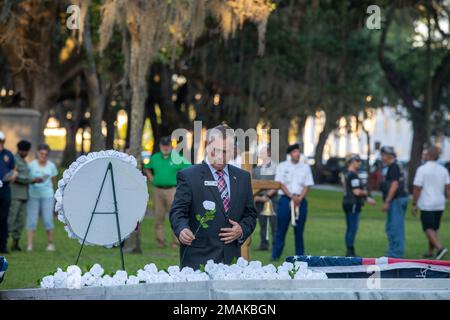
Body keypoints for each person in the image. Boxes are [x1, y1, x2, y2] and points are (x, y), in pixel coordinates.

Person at [169, 124, 257, 269]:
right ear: (207, 146)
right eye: (215, 150)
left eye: (226, 152)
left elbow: (250, 214)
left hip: (232, 261)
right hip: (197, 260)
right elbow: (178, 212)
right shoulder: (189, 176)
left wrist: (241, 230)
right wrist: (182, 229)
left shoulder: (242, 177)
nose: (220, 157)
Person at [144, 136, 191, 249]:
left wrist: (182, 183)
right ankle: (160, 242)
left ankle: (176, 242)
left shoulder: (177, 157)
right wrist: (151, 178)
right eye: (163, 145)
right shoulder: (155, 157)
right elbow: (147, 167)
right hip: (157, 190)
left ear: (171, 146)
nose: (165, 148)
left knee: (176, 216)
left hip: (173, 190)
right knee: (158, 216)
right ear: (160, 146)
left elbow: (189, 169)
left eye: (167, 145)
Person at [272, 143, 314, 261]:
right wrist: (291, 196)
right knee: (281, 229)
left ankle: (300, 257)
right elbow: (280, 183)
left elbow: (307, 184)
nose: (298, 154)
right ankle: (275, 256)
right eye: (295, 152)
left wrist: (299, 198)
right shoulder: (282, 166)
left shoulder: (305, 167)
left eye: (298, 152)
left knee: (299, 230)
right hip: (286, 200)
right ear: (290, 154)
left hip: (301, 200)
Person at [412, 147, 450, 260]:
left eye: (425, 154)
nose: (423, 156)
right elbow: (448, 187)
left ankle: (440, 248)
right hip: (439, 203)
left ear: (429, 156)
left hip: (427, 203)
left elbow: (417, 188)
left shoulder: (422, 169)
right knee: (434, 228)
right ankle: (430, 251)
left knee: (428, 228)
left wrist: (414, 204)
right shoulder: (443, 170)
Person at [8, 140, 43, 251]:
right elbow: (15, 176)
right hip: (15, 195)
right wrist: (32, 180)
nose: (26, 153)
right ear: (20, 150)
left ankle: (15, 243)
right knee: (11, 220)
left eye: (26, 151)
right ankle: (3, 243)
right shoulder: (13, 160)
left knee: (20, 221)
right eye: (24, 151)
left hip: (23, 195)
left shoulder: (23, 161)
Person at [341, 154, 376, 257]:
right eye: (357, 160)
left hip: (347, 202)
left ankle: (349, 250)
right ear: (351, 161)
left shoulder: (346, 173)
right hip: (353, 204)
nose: (360, 162)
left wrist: (367, 199)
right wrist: (365, 193)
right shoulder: (353, 174)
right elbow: (356, 192)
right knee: (352, 228)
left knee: (349, 228)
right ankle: (350, 252)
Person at [26, 144, 58, 252]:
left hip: (47, 196)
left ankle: (50, 244)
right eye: (41, 153)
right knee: (32, 220)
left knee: (48, 219)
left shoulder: (51, 166)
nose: (43, 156)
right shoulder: (31, 165)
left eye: (46, 154)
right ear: (38, 153)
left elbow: (53, 180)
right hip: (33, 195)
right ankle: (29, 245)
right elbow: (27, 179)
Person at [380, 146, 408, 258]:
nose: (381, 157)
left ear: (388, 156)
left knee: (395, 227)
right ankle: (393, 252)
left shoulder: (394, 166)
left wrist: (387, 201)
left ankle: (395, 254)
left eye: (383, 155)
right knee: (391, 227)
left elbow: (394, 185)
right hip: (398, 200)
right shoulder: (396, 165)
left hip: (396, 200)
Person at [253, 144, 278, 251]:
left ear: (268, 153)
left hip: (272, 200)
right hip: (259, 200)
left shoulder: (275, 168)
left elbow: (278, 184)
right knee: (262, 224)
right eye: (260, 153)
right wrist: (259, 198)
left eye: (263, 152)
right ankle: (264, 244)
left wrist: (267, 195)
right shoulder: (256, 170)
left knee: (274, 224)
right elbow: (252, 185)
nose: (261, 154)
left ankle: (276, 245)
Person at [0, 131, 17, 254]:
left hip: (5, 189)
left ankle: (3, 245)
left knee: (3, 218)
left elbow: (13, 170)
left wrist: (12, 176)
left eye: (1, 142)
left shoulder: (8, 155)